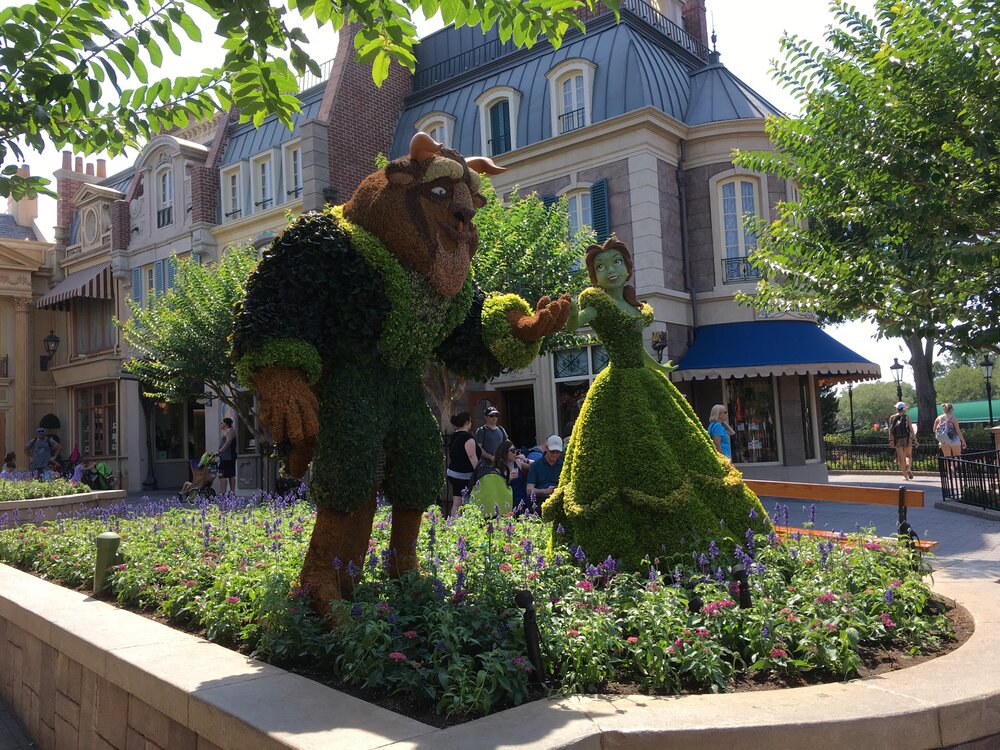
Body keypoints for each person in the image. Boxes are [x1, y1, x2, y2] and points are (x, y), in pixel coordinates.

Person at [541, 236, 770, 570]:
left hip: (646, 380)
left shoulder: (635, 308)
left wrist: (658, 367)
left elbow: (638, 352)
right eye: (601, 267)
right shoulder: (597, 303)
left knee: (679, 446)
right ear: (594, 277)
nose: (610, 271)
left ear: (628, 267)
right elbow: (579, 321)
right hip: (615, 384)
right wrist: (567, 314)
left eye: (616, 262)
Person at [447, 411, 480, 517]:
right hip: (464, 475)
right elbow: (472, 457)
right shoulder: (467, 438)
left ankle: (453, 524)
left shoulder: (454, 436)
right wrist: (480, 473)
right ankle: (464, 524)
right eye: (470, 421)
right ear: (467, 422)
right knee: (467, 502)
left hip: (452, 472)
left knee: (456, 503)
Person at [526, 434, 565, 506]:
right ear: (546, 448)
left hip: (559, 502)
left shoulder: (563, 466)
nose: (555, 454)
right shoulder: (536, 465)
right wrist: (545, 491)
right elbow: (529, 490)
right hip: (539, 502)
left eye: (558, 452)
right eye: (552, 451)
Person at [888, 401, 917, 480]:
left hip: (897, 439)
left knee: (901, 458)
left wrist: (891, 440)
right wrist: (915, 440)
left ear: (897, 409)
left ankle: (905, 476)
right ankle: (908, 468)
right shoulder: (907, 417)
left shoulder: (892, 417)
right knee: (908, 455)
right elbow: (911, 429)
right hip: (907, 439)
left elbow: (890, 430)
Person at [215, 418, 238, 494]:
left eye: (222, 423)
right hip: (226, 457)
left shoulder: (229, 431)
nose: (221, 424)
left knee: (223, 475)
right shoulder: (229, 431)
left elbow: (228, 442)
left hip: (227, 457)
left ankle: (224, 493)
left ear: (226, 424)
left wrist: (219, 451)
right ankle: (231, 493)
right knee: (229, 474)